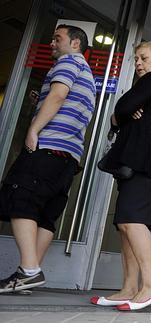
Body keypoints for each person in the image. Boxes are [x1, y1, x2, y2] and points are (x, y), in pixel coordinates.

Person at [0, 25, 95, 293]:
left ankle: (29, 271)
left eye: (58, 38)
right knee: (45, 214)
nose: (52, 43)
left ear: (75, 43)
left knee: (20, 199)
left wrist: (33, 129)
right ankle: (28, 276)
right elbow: (65, 101)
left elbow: (58, 95)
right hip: (69, 155)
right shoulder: (86, 71)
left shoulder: (68, 61)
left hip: (49, 147)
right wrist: (39, 102)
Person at [90, 41, 151, 310]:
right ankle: (129, 288)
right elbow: (121, 114)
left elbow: (123, 107)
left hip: (146, 166)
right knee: (126, 226)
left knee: (132, 221)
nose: (138, 63)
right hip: (145, 166)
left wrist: (124, 112)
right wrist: (123, 114)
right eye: (136, 59)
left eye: (144, 57)